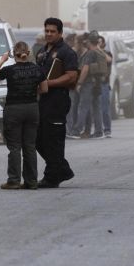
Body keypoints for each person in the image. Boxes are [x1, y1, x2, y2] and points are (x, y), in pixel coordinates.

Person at [0, 41, 47, 189]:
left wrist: (2, 60)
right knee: (30, 146)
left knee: (15, 146)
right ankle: (31, 181)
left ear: (14, 54)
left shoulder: (10, 70)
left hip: (14, 109)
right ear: (28, 53)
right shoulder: (38, 69)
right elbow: (44, 89)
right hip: (32, 108)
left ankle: (14, 180)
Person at [35, 18, 79, 188]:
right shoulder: (42, 51)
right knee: (39, 138)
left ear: (60, 33)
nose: (49, 34)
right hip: (42, 101)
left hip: (57, 100)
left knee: (54, 139)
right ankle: (63, 169)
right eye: (47, 31)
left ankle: (52, 176)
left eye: (52, 31)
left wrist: (49, 84)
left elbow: (71, 76)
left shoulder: (66, 52)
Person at [71, 31, 107, 139]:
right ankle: (99, 132)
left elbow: (85, 68)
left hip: (88, 84)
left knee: (83, 107)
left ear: (89, 41)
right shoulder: (99, 52)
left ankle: (77, 131)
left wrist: (80, 83)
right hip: (97, 83)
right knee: (96, 108)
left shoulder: (90, 53)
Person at [97, 35, 113, 138]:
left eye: (99, 42)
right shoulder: (92, 54)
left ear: (103, 44)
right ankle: (98, 130)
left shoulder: (107, 53)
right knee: (95, 109)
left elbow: (109, 60)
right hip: (95, 84)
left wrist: (99, 50)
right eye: (96, 42)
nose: (98, 44)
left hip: (104, 84)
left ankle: (107, 130)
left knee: (104, 108)